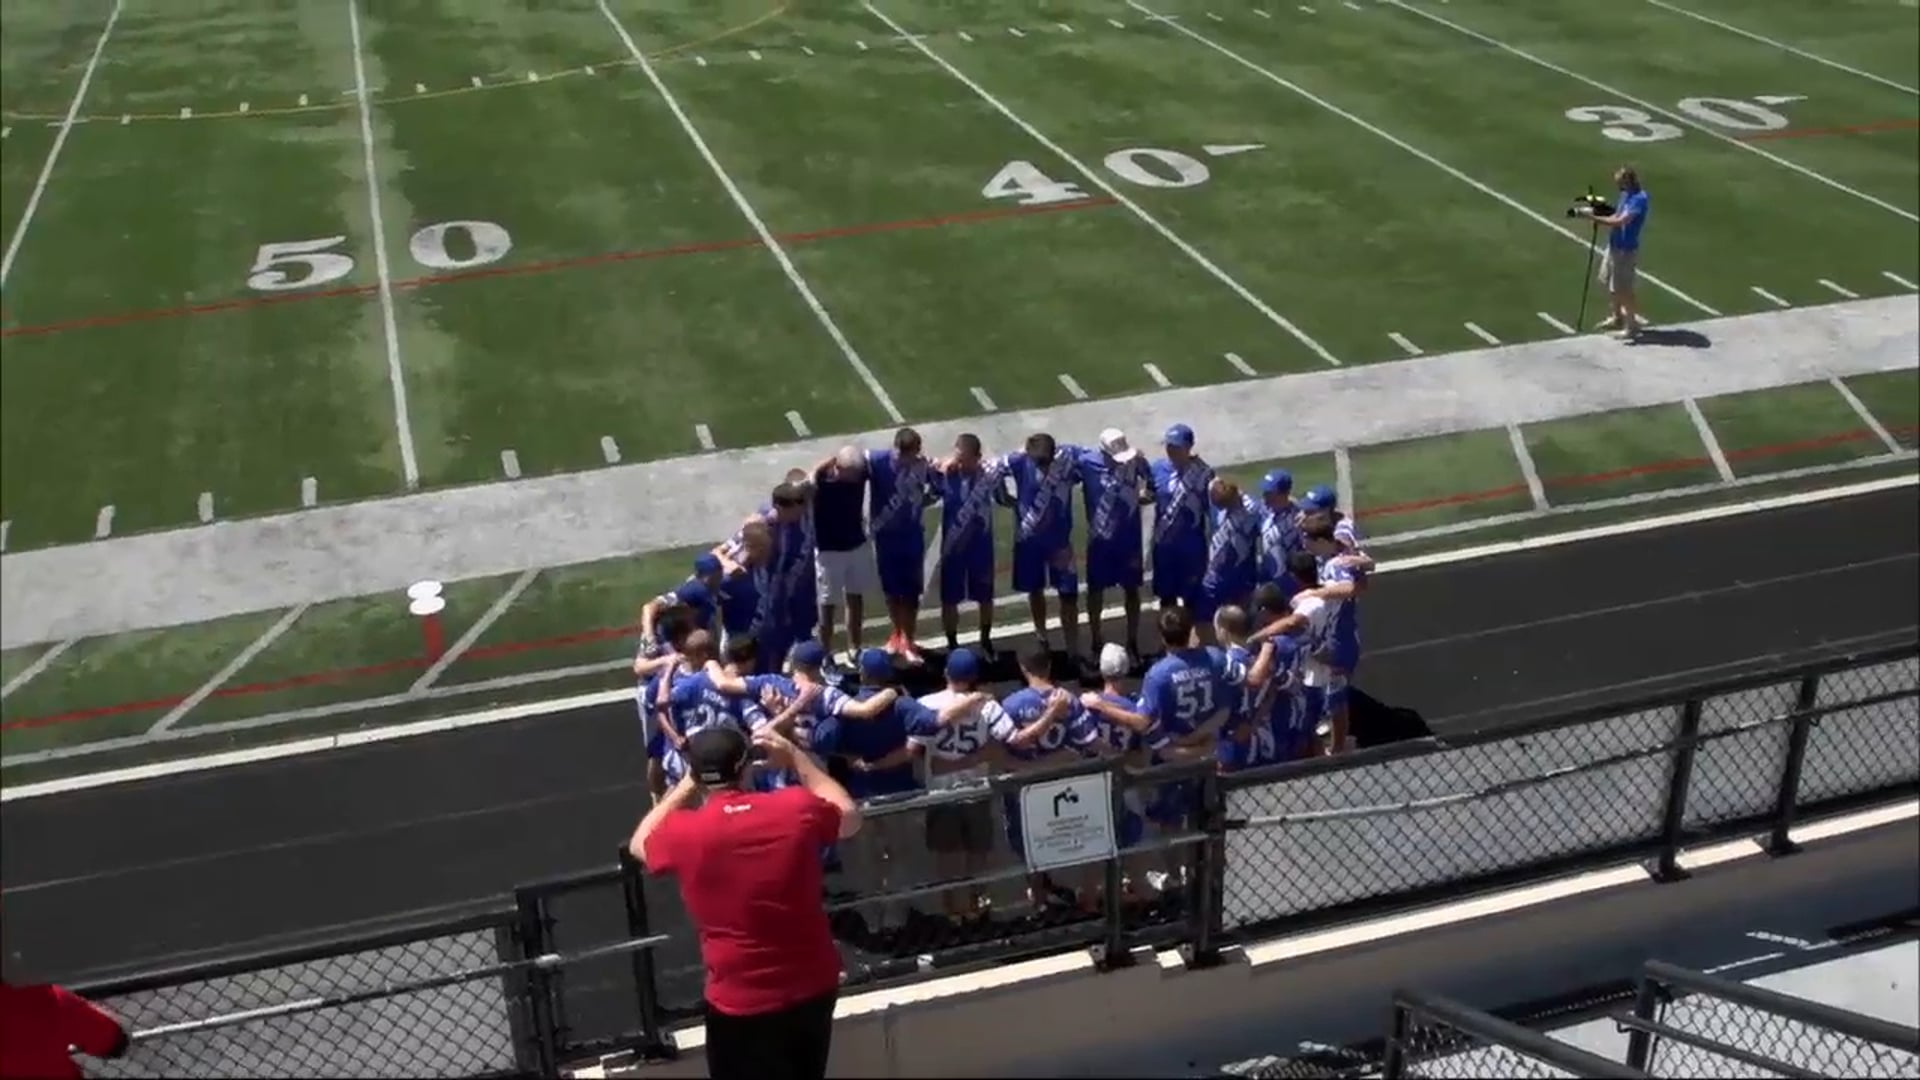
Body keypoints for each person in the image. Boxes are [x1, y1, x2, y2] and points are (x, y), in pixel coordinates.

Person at [631, 725, 861, 1080]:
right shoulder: (793, 807)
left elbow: (640, 843)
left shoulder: (684, 831)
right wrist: (796, 757)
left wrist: (686, 786)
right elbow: (847, 815)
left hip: (737, 994)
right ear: (746, 765)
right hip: (811, 981)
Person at [999, 433, 1086, 658]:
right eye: (1038, 462)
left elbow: (1092, 461)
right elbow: (990, 470)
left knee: (1068, 595)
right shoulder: (1018, 461)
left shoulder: (1067, 460)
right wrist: (1001, 496)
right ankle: (1041, 636)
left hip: (1060, 542)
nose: (1043, 466)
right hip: (1029, 542)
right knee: (1035, 590)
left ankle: (1072, 647)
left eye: (1045, 461)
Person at [1079, 429, 1152, 665]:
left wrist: (1143, 495)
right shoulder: (1087, 462)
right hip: (1100, 540)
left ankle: (1132, 641)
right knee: (1095, 591)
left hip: (1129, 538)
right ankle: (1096, 641)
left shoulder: (1135, 460)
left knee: (1131, 589)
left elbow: (1151, 483)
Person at [866, 428, 935, 663]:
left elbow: (938, 486)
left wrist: (921, 502)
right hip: (885, 537)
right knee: (891, 591)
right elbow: (850, 460)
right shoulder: (877, 461)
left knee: (911, 592)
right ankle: (897, 633)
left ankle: (909, 638)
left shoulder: (922, 465)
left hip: (912, 535)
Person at [930, 434, 1002, 658]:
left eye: (964, 459)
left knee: (985, 596)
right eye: (957, 457)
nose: (959, 463)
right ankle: (952, 643)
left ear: (977, 457)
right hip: (953, 548)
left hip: (980, 547)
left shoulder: (989, 475)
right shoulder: (946, 475)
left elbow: (1003, 492)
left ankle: (985, 639)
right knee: (950, 598)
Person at [810, 448, 878, 666]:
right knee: (827, 606)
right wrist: (818, 469)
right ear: (839, 468)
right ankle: (825, 653)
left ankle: (854, 647)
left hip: (856, 545)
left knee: (855, 599)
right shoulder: (821, 482)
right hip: (829, 551)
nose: (858, 478)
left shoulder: (857, 473)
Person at [1149, 424, 1214, 630]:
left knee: (1192, 600)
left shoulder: (1203, 473)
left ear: (1188, 447)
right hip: (1164, 546)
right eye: (1168, 446)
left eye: (1176, 447)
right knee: (1166, 598)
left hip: (1191, 547)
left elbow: (1212, 507)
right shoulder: (1158, 468)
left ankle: (1193, 642)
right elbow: (1150, 492)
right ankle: (1167, 640)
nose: (1171, 451)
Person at [1579, 165, 1650, 340]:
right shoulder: (1625, 195)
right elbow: (1615, 215)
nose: (1618, 186)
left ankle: (1631, 326)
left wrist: (1593, 218)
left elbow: (1621, 221)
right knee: (1607, 281)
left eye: (1620, 182)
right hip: (1614, 245)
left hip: (1626, 249)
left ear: (1628, 181)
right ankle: (1617, 317)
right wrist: (1596, 212)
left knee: (1623, 289)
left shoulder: (1639, 199)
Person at [1196, 478, 1260, 640]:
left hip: (1242, 575)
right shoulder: (1215, 495)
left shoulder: (1253, 510)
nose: (1218, 508)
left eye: (1222, 505)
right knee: (1203, 619)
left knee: (1241, 621)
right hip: (1215, 574)